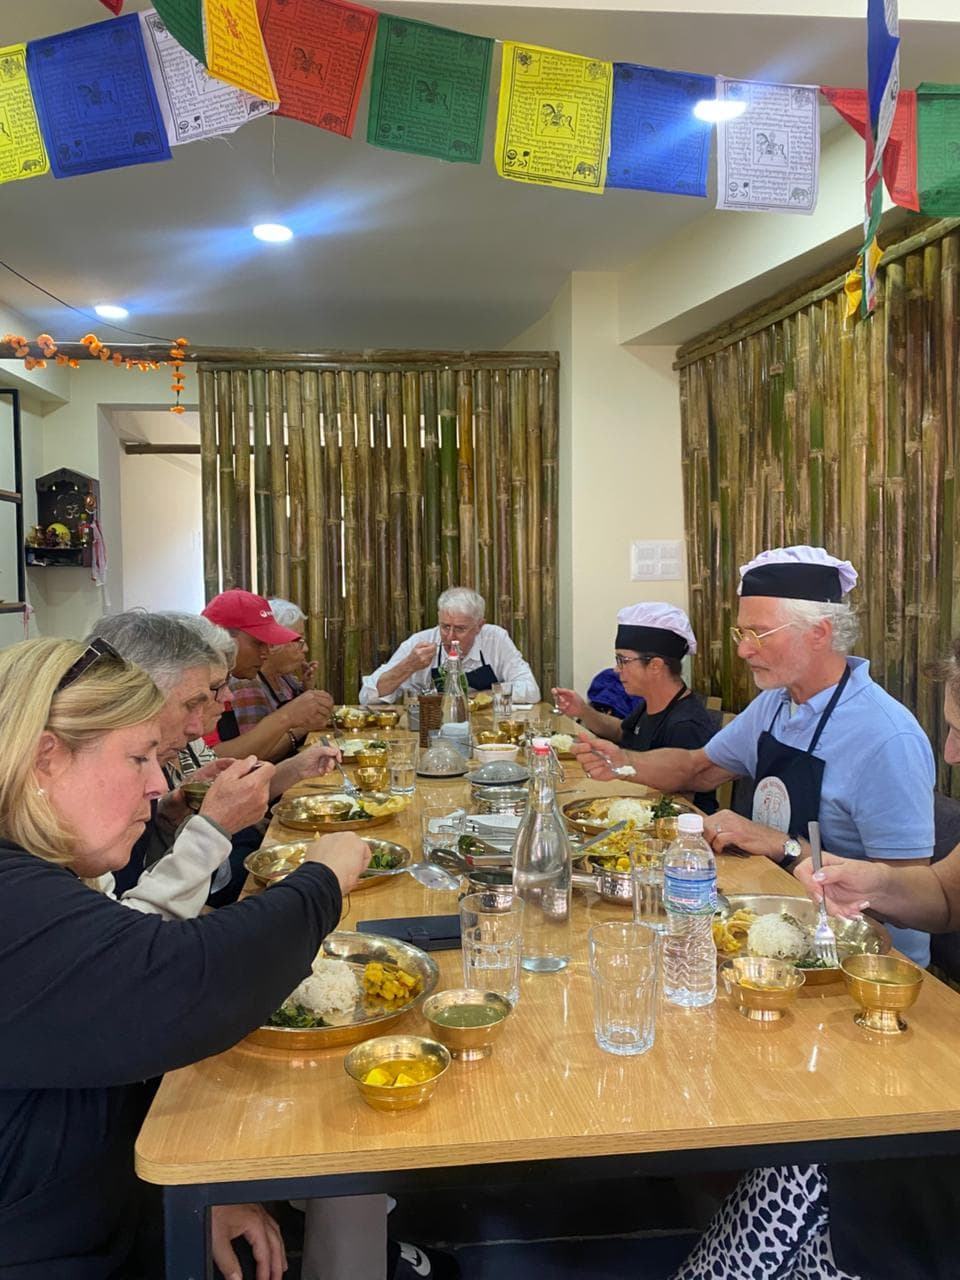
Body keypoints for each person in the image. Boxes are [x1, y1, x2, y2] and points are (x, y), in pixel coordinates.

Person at [0, 635, 370, 1280]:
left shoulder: (45, 868)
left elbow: (108, 1035)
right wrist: (321, 883)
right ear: (45, 759)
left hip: (108, 1201)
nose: (155, 786)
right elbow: (177, 976)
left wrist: (190, 1191)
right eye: (139, 759)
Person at [670, 635, 960, 1280]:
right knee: (797, 1148)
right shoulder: (773, 706)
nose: (949, 754)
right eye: (950, 729)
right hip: (920, 1058)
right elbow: (942, 895)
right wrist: (876, 883)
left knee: (835, 1164)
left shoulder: (883, 732)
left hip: (930, 1138)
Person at [572, 546, 935, 965]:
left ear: (819, 633)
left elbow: (913, 895)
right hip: (773, 923)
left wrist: (785, 846)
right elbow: (700, 767)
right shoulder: (777, 703)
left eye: (756, 634)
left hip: (860, 959)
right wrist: (620, 760)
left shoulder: (886, 737)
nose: (743, 651)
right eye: (740, 634)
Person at [552, 603, 718, 812]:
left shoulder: (686, 724)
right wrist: (583, 711)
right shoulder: (650, 705)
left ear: (656, 666)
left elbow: (677, 807)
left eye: (623, 660)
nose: (616, 669)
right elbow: (622, 732)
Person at [201, 589, 334, 761]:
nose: (266, 652)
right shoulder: (201, 688)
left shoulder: (223, 682)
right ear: (222, 637)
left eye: (268, 643)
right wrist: (288, 717)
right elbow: (211, 763)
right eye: (258, 643)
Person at [360, 586, 540, 704]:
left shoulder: (495, 639)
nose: (450, 636)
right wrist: (408, 666)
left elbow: (531, 690)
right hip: (433, 728)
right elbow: (367, 697)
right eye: (445, 626)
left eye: (460, 629)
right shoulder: (420, 642)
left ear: (479, 626)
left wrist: (481, 697)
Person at [227, 598, 327, 743]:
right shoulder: (246, 682)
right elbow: (255, 751)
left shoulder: (284, 678)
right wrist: (303, 728)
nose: (305, 649)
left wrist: (307, 686)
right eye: (299, 642)